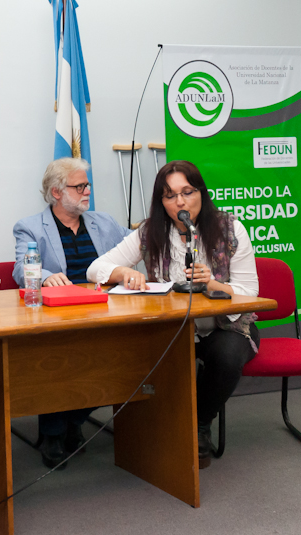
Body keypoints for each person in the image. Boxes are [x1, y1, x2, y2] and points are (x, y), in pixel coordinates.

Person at [86, 160, 259, 469]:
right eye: (169, 195)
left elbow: (250, 293)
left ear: (201, 194)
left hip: (226, 327)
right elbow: (94, 269)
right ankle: (155, 429)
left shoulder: (230, 229)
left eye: (187, 192)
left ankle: (199, 423)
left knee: (227, 356)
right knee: (137, 354)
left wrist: (213, 283)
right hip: (173, 329)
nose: (180, 202)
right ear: (161, 202)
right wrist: (123, 271)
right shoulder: (151, 232)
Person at [12, 157, 128, 468]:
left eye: (87, 185)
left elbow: (136, 248)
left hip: (105, 311)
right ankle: (53, 432)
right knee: (58, 359)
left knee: (123, 359)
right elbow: (20, 269)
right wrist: (45, 274)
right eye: (80, 186)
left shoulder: (104, 222)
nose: (87, 191)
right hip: (58, 316)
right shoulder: (30, 227)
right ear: (57, 192)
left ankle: (73, 420)